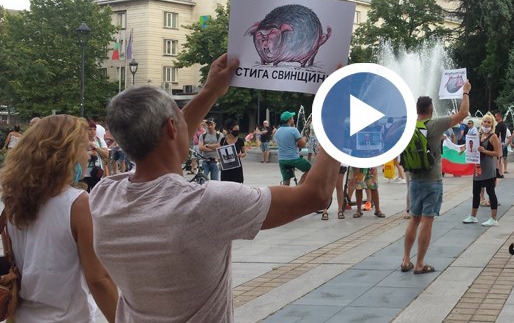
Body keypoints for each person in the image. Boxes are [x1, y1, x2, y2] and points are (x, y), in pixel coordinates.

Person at [90, 54, 342, 322]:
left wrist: (211, 90)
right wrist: (339, 113)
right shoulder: (205, 205)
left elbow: (164, 142)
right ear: (172, 127)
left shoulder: (104, 197)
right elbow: (315, 195)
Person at [0, 115, 118, 322]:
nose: (87, 155)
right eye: (84, 148)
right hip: (68, 316)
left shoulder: (12, 200)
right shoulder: (78, 204)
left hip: (22, 316)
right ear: (66, 154)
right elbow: (99, 279)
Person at [401, 81, 470, 275]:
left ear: (417, 110)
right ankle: (419, 263)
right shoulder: (435, 124)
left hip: (414, 179)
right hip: (432, 180)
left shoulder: (409, 126)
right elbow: (463, 114)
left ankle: (405, 260)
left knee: (414, 219)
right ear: (431, 109)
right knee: (427, 220)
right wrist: (465, 92)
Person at [462, 114, 501, 226]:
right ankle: (473, 216)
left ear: (492, 124)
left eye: (489, 122)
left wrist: (484, 151)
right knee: (476, 192)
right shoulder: (478, 135)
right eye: (485, 122)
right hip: (478, 168)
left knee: (490, 192)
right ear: (481, 123)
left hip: (488, 168)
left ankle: (493, 218)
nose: (486, 124)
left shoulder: (493, 137)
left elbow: (497, 153)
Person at [275, 111, 311, 186]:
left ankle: (284, 192)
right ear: (289, 120)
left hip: (282, 159)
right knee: (311, 169)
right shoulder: (293, 130)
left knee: (286, 180)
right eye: (292, 118)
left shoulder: (277, 131)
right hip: (293, 159)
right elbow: (302, 145)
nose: (293, 120)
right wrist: (304, 138)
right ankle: (298, 186)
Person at [84, 120, 109, 192]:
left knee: (96, 193)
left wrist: (96, 148)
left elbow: (106, 155)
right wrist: (89, 153)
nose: (92, 131)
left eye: (94, 129)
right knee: (85, 194)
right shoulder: (80, 141)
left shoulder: (99, 140)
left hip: (96, 172)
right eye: (90, 129)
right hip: (84, 174)